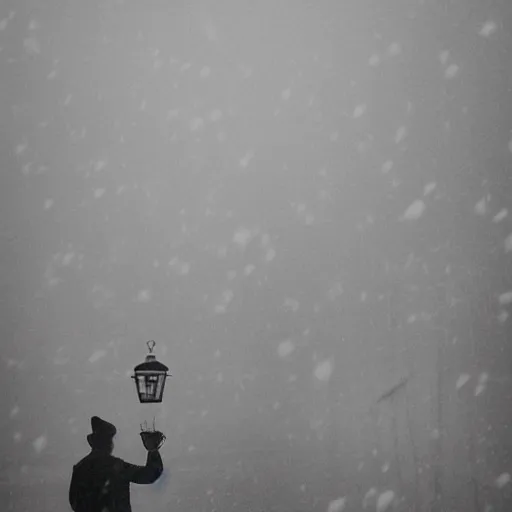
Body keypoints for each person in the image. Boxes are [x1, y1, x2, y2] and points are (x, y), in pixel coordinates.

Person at [69, 416, 164, 512]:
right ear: (105, 443)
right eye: (109, 440)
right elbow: (149, 474)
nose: (111, 444)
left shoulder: (80, 468)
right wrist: (153, 450)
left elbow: (74, 502)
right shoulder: (115, 466)